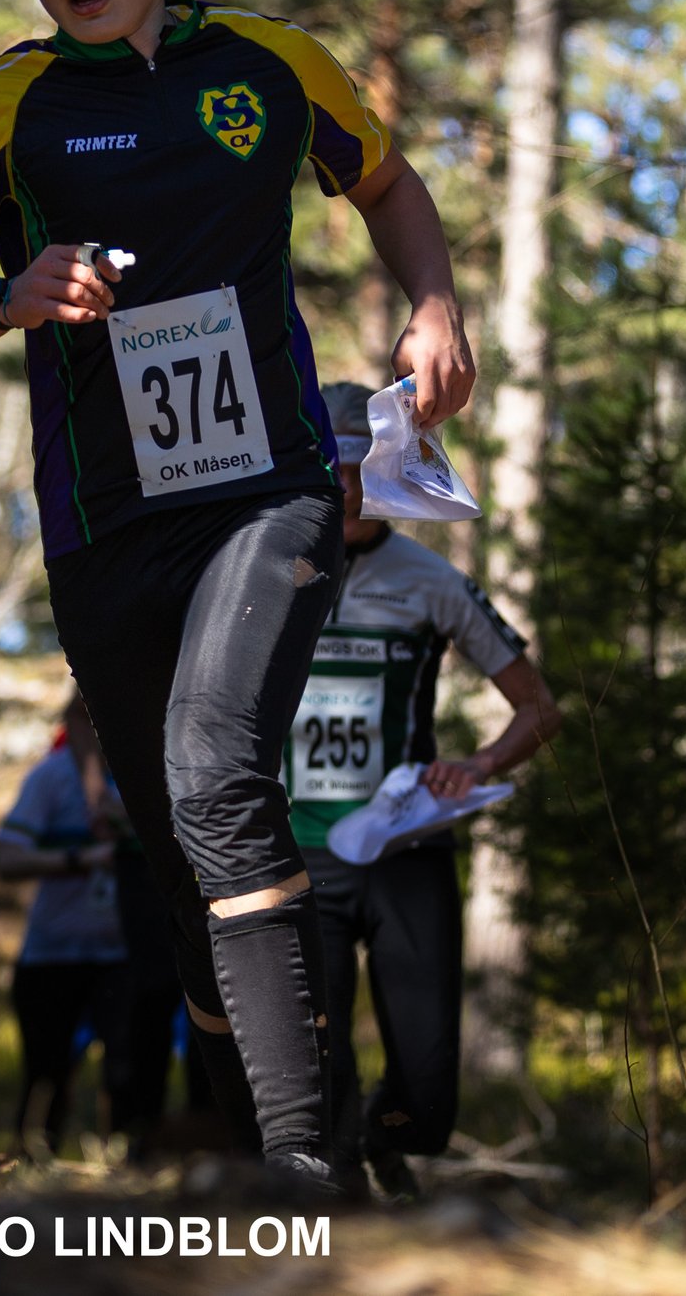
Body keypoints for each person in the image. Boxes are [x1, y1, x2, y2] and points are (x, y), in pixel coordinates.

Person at [0, 0, 476, 1193]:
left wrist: (435, 303)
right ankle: (255, 1098)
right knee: (186, 861)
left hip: (271, 492)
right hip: (104, 533)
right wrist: (4, 296)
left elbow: (387, 185)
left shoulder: (270, 65)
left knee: (219, 769)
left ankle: (304, 1165)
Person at [288, 382, 561, 1200]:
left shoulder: (430, 579)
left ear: (388, 472)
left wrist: (478, 766)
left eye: (359, 467)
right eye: (329, 467)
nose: (344, 486)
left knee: (429, 1088)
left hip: (405, 844)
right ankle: (342, 1207)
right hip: (299, 852)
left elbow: (539, 708)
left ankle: (388, 1134)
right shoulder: (264, 566)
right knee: (315, 1063)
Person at [0, 698, 128, 1158]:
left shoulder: (146, 772)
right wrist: (78, 859)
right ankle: (33, 1160)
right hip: (51, 956)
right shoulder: (50, 777)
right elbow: (7, 857)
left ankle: (124, 1166)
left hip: (122, 957)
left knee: (126, 1071)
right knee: (46, 1073)